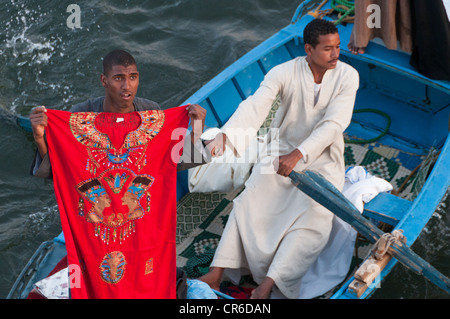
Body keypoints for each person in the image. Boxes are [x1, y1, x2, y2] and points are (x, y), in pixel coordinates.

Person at [199, 19, 359, 299]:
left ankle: (267, 286)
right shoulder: (283, 72)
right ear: (308, 49)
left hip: (323, 160)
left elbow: (334, 124)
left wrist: (299, 155)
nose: (336, 54)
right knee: (250, 198)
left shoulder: (348, 76)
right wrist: (225, 136)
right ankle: (216, 273)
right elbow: (255, 106)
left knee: (315, 217)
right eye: (327, 49)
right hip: (280, 152)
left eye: (338, 47)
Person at [29, 49, 208, 178]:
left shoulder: (151, 112)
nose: (127, 86)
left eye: (132, 77)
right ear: (104, 80)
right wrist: (39, 138)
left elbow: (171, 162)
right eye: (118, 78)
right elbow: (59, 171)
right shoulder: (80, 116)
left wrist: (197, 130)